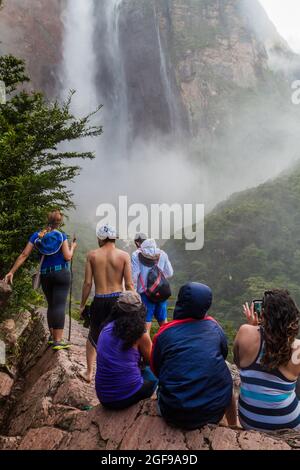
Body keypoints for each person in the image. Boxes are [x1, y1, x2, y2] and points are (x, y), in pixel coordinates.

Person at [151, 282, 236, 430]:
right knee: (225, 375)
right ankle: (233, 425)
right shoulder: (214, 327)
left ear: (181, 301)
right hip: (213, 412)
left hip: (174, 413)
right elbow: (222, 354)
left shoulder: (165, 333)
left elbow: (156, 368)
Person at [4, 210, 77, 350]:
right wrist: (72, 247)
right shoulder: (61, 236)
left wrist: (11, 271)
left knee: (51, 304)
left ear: (47, 220)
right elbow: (68, 257)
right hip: (61, 273)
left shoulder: (37, 236)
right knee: (59, 305)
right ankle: (58, 340)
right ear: (59, 222)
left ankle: (51, 337)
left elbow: (24, 254)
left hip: (45, 275)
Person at [234, 290, 300, 432]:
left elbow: (238, 364)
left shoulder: (245, 331)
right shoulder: (298, 348)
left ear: (263, 315)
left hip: (249, 421)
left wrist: (253, 327)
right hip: (288, 424)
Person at [79, 224, 134, 383]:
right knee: (119, 335)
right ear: (114, 237)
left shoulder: (92, 255)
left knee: (93, 335)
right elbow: (129, 284)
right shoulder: (124, 256)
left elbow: (87, 283)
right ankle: (119, 373)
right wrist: (134, 304)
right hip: (118, 299)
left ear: (100, 238)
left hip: (100, 298)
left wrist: (82, 304)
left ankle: (89, 372)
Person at [96, 291, 158, 410]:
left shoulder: (106, 328)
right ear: (140, 310)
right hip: (125, 397)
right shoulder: (140, 333)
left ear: (116, 308)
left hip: (104, 397)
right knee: (153, 376)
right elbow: (152, 361)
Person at [131, 239, 173, 333]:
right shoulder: (162, 254)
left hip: (145, 294)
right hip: (161, 293)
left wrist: (134, 293)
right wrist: (158, 279)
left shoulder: (136, 255)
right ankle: (167, 346)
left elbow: (134, 276)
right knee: (163, 323)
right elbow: (170, 273)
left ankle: (148, 348)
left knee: (146, 326)